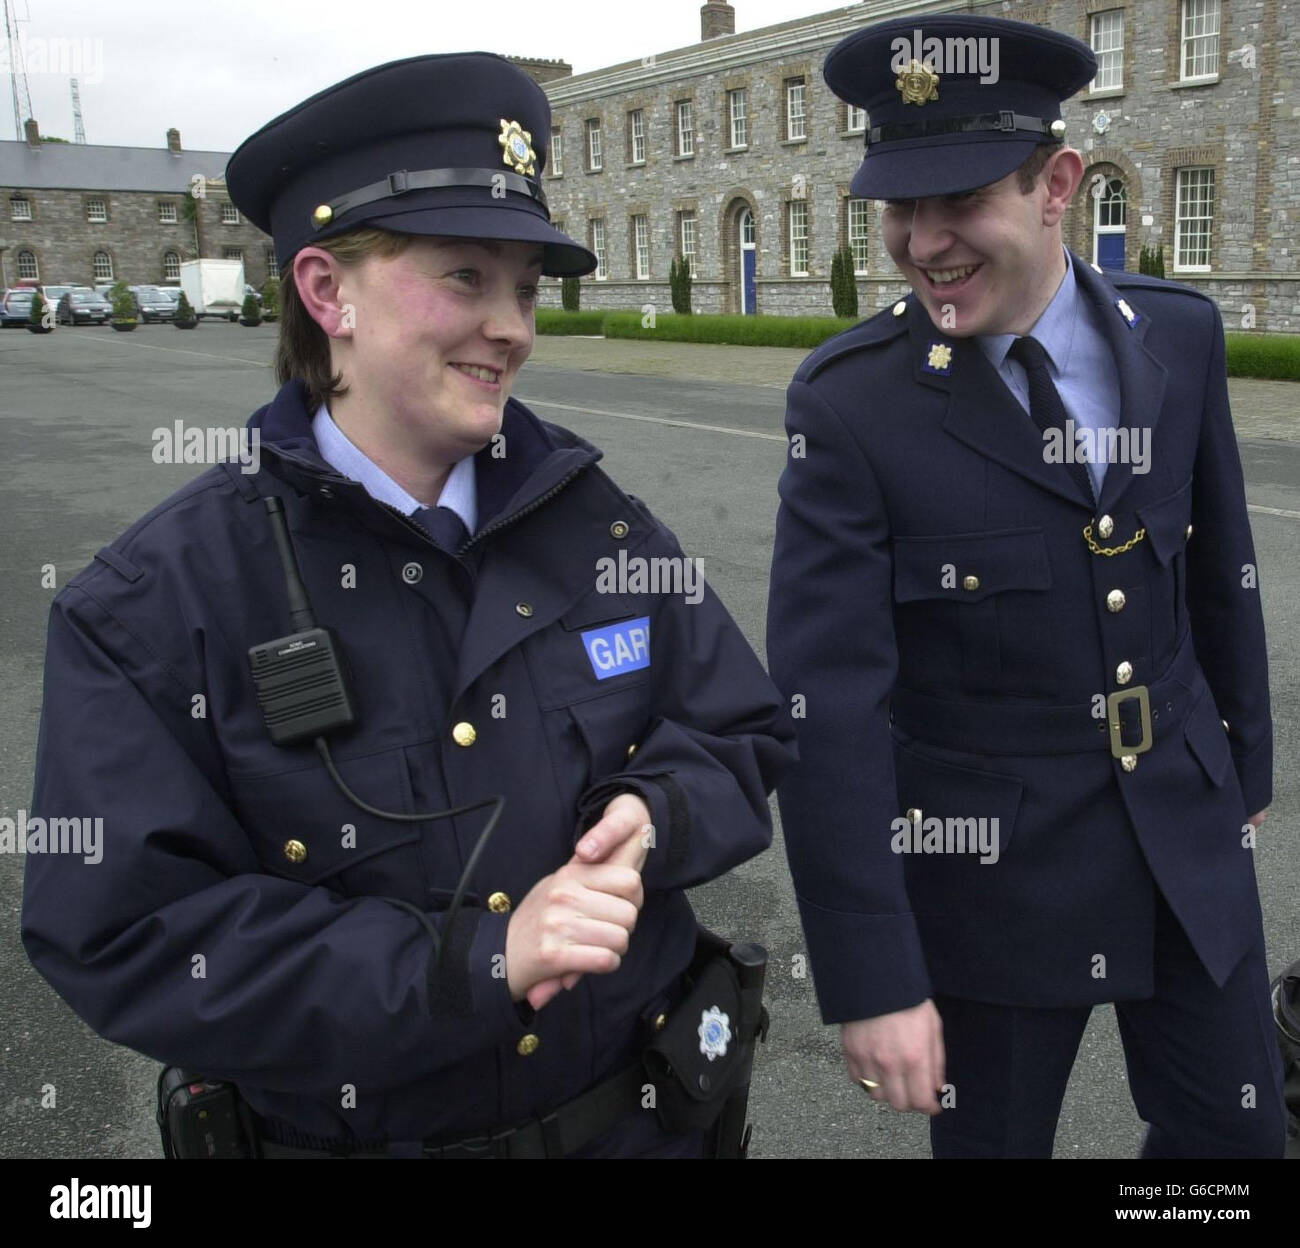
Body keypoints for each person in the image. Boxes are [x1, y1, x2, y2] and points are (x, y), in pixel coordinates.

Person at [22, 51, 796, 1160]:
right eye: (463, 278)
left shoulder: (599, 527)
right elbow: (126, 935)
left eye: (524, 287)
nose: (513, 326)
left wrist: (655, 811)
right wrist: (476, 962)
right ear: (325, 290)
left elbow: (740, 732)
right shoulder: (160, 599)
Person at [767, 15, 1285, 1158]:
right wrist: (871, 973)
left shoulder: (1178, 336)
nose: (923, 243)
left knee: (1233, 1142)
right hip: (988, 878)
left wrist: (1241, 762)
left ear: (1056, 184)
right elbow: (828, 706)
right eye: (899, 208)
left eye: (960, 203)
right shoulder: (851, 405)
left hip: (1184, 835)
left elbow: (1217, 568)